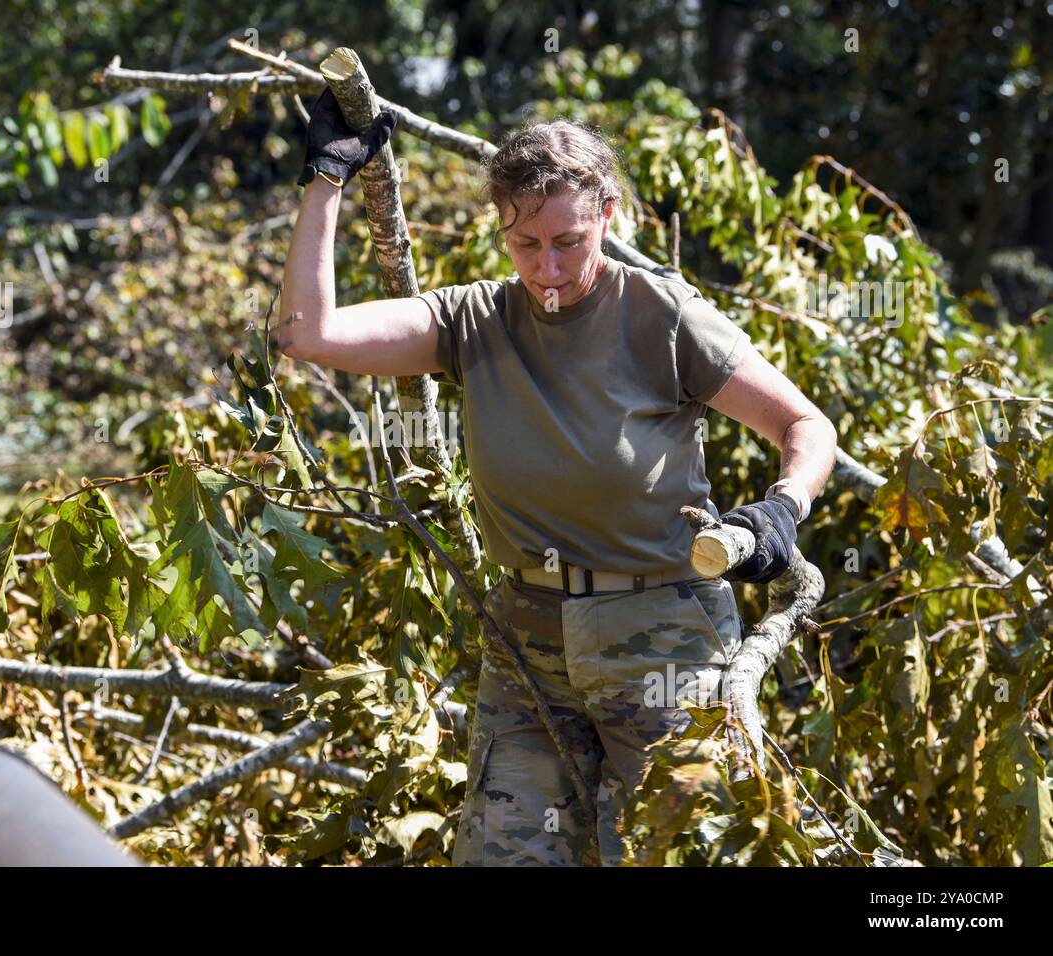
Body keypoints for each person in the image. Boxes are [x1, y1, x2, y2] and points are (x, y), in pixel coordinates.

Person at [276, 90, 838, 865]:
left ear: (608, 215)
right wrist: (327, 181)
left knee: (677, 851)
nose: (547, 268)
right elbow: (309, 333)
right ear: (500, 225)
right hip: (526, 641)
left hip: (664, 637)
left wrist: (782, 509)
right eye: (526, 242)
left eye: (569, 242)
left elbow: (806, 426)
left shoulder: (662, 315)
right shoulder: (473, 320)